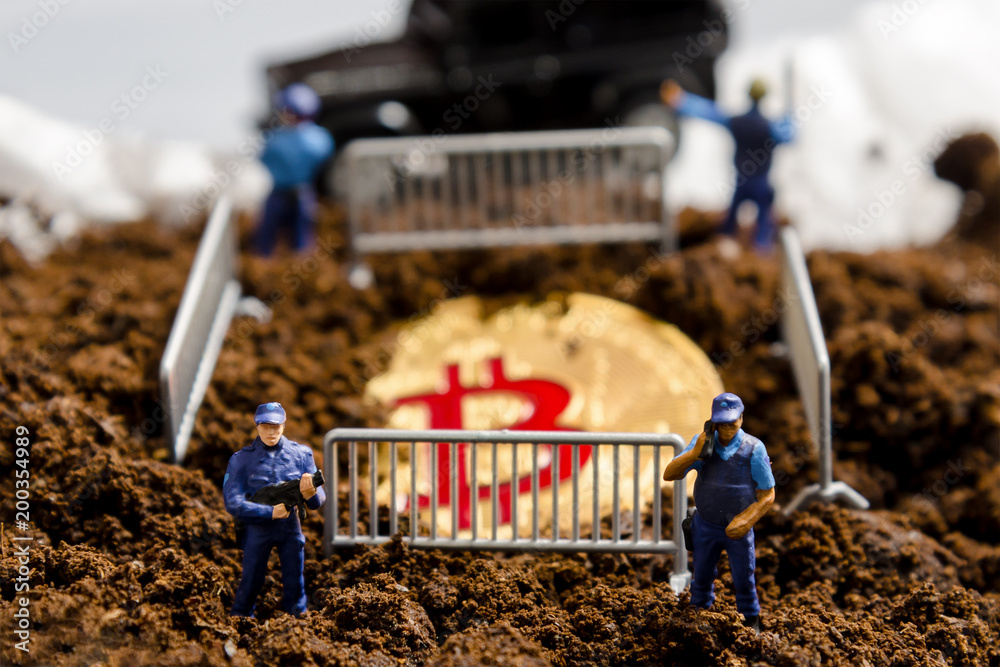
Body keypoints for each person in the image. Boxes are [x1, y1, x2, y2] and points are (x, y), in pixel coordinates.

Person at [662, 392, 775, 633]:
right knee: (701, 575)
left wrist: (747, 520)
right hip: (705, 525)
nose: (725, 429)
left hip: (738, 529)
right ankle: (699, 614)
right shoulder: (703, 443)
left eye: (731, 423)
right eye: (720, 423)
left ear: (741, 419)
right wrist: (695, 454)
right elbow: (670, 474)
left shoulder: (753, 449)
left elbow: (768, 495)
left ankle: (750, 617)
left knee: (744, 577)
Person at [661, 78, 794, 251]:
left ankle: (731, 240)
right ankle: (760, 249)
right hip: (760, 182)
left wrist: (681, 101)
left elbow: (710, 112)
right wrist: (789, 118)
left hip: (743, 180)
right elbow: (789, 136)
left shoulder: (737, 122)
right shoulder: (769, 127)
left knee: (732, 222)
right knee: (761, 225)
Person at [223, 402, 325, 617]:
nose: (271, 432)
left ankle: (297, 615)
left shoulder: (301, 455)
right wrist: (268, 512)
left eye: (275, 426)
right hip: (258, 530)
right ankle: (241, 616)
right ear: (257, 427)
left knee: (294, 575)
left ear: (283, 426)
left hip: (290, 527)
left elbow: (318, 502)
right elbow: (232, 502)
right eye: (265, 426)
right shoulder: (241, 460)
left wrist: (309, 493)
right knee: (252, 576)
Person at [255, 83, 334, 256]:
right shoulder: (318, 138)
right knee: (275, 236)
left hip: (295, 194)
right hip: (286, 194)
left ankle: (279, 264)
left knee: (298, 236)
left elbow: (263, 158)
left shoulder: (276, 138)